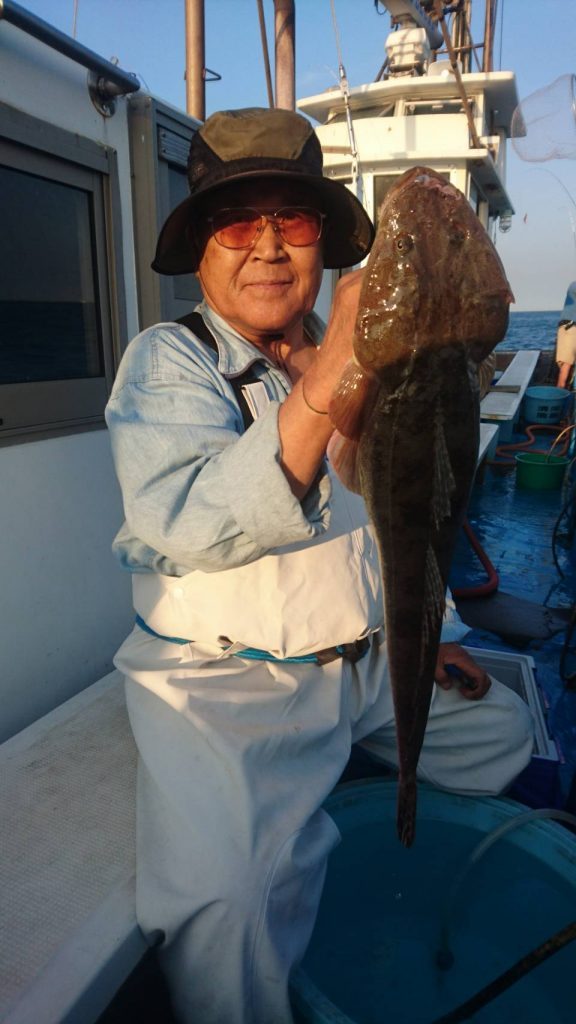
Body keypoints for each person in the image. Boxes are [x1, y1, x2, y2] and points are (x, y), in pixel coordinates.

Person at [105, 107, 534, 1024]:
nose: (267, 246)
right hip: (228, 687)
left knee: (504, 732)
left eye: (291, 220)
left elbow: (395, 515)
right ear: (203, 248)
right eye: (236, 224)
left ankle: (391, 829)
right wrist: (337, 366)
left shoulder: (371, 364)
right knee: (228, 910)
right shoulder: (167, 364)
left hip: (364, 663)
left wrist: (433, 634)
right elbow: (186, 521)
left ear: (320, 243)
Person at [555, 281, 576, 389]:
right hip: (570, 328)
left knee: (566, 365)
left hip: (568, 327)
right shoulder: (574, 285)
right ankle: (559, 392)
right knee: (566, 364)